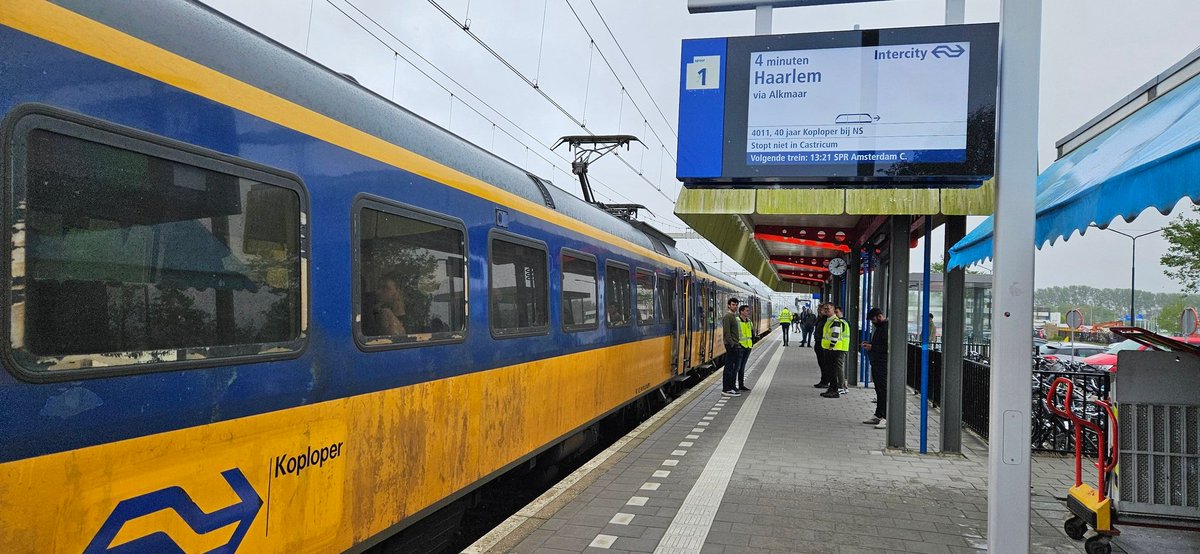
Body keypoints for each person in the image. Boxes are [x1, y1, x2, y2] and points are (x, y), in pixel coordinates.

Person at [861, 307, 888, 429]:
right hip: (877, 362)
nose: (872, 322)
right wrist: (870, 344)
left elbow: (887, 348)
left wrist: (872, 347)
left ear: (879, 316)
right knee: (879, 389)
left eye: (873, 319)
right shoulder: (881, 328)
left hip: (883, 363)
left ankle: (886, 417)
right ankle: (878, 414)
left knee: (883, 390)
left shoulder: (886, 328)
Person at [820, 303, 850, 398]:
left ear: (833, 310)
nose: (826, 310)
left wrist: (831, 346)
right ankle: (832, 388)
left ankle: (834, 390)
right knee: (830, 370)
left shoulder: (835, 321)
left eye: (828, 309)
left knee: (832, 370)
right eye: (825, 309)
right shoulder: (829, 320)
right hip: (829, 348)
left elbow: (835, 334)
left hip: (833, 349)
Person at [721, 297, 743, 397]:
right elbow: (726, 332)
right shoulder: (728, 317)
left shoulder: (734, 316)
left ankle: (730, 388)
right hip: (730, 345)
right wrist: (732, 344)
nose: (735, 306)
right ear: (729, 305)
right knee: (729, 368)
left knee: (732, 367)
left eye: (736, 304)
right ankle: (726, 389)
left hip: (733, 345)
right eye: (733, 304)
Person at [811, 304, 830, 388]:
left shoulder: (827, 320)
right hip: (818, 342)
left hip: (823, 344)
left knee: (824, 363)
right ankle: (823, 380)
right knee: (821, 363)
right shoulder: (820, 318)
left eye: (821, 309)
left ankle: (825, 381)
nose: (819, 311)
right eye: (818, 309)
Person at [736, 304, 754, 392]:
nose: (748, 312)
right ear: (741, 311)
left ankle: (741, 385)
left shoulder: (749, 322)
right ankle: (733, 386)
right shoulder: (737, 321)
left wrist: (752, 344)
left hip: (748, 347)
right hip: (740, 347)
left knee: (742, 367)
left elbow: (752, 333)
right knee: (737, 367)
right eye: (747, 310)